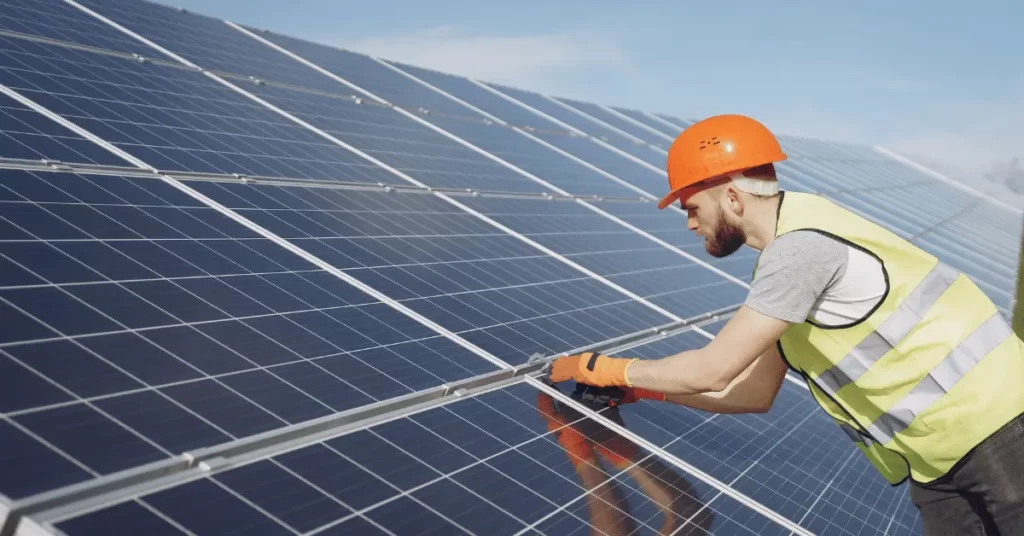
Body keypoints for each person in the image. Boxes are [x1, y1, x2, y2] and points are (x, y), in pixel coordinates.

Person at [548, 114, 1024, 535]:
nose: (690, 224)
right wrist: (645, 392)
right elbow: (749, 394)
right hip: (938, 460)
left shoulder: (800, 252)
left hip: (1000, 433)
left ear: (731, 197)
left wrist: (605, 368)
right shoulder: (791, 257)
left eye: (692, 208)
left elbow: (713, 369)